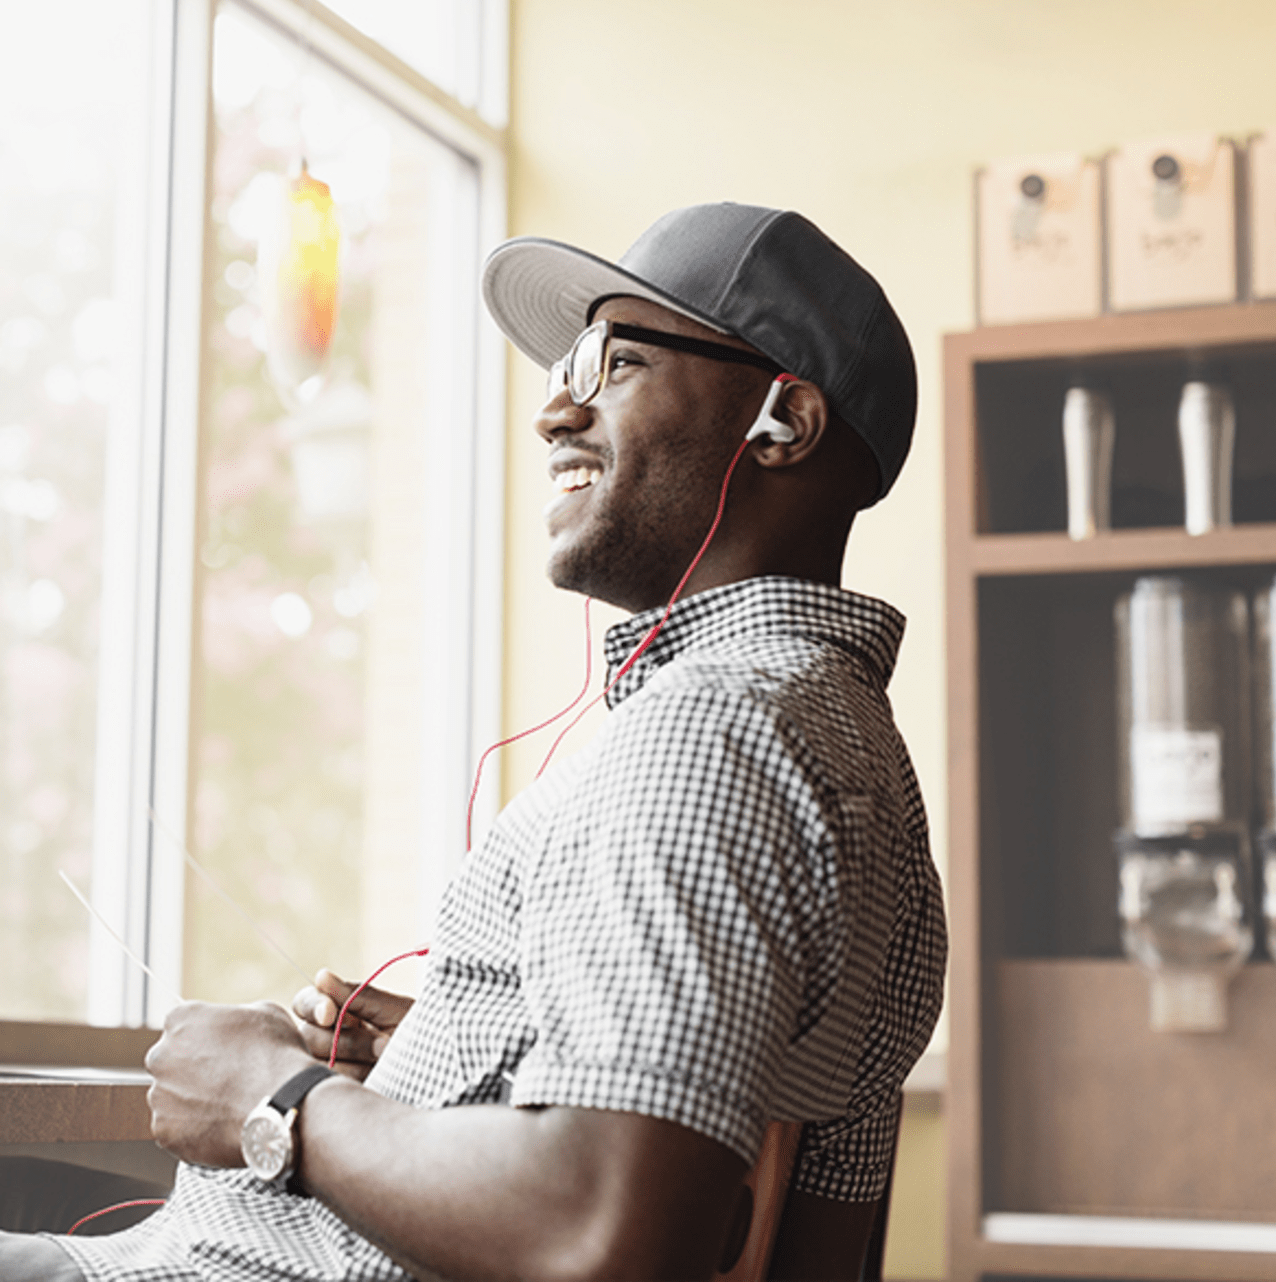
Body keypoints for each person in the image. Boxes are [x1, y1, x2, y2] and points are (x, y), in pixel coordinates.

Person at [2, 201, 946, 1282]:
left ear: (782, 421)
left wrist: (272, 1097)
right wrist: (445, 1062)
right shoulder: (873, 795)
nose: (555, 407)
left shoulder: (708, 732)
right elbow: (823, 1256)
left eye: (614, 360)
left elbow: (603, 1226)